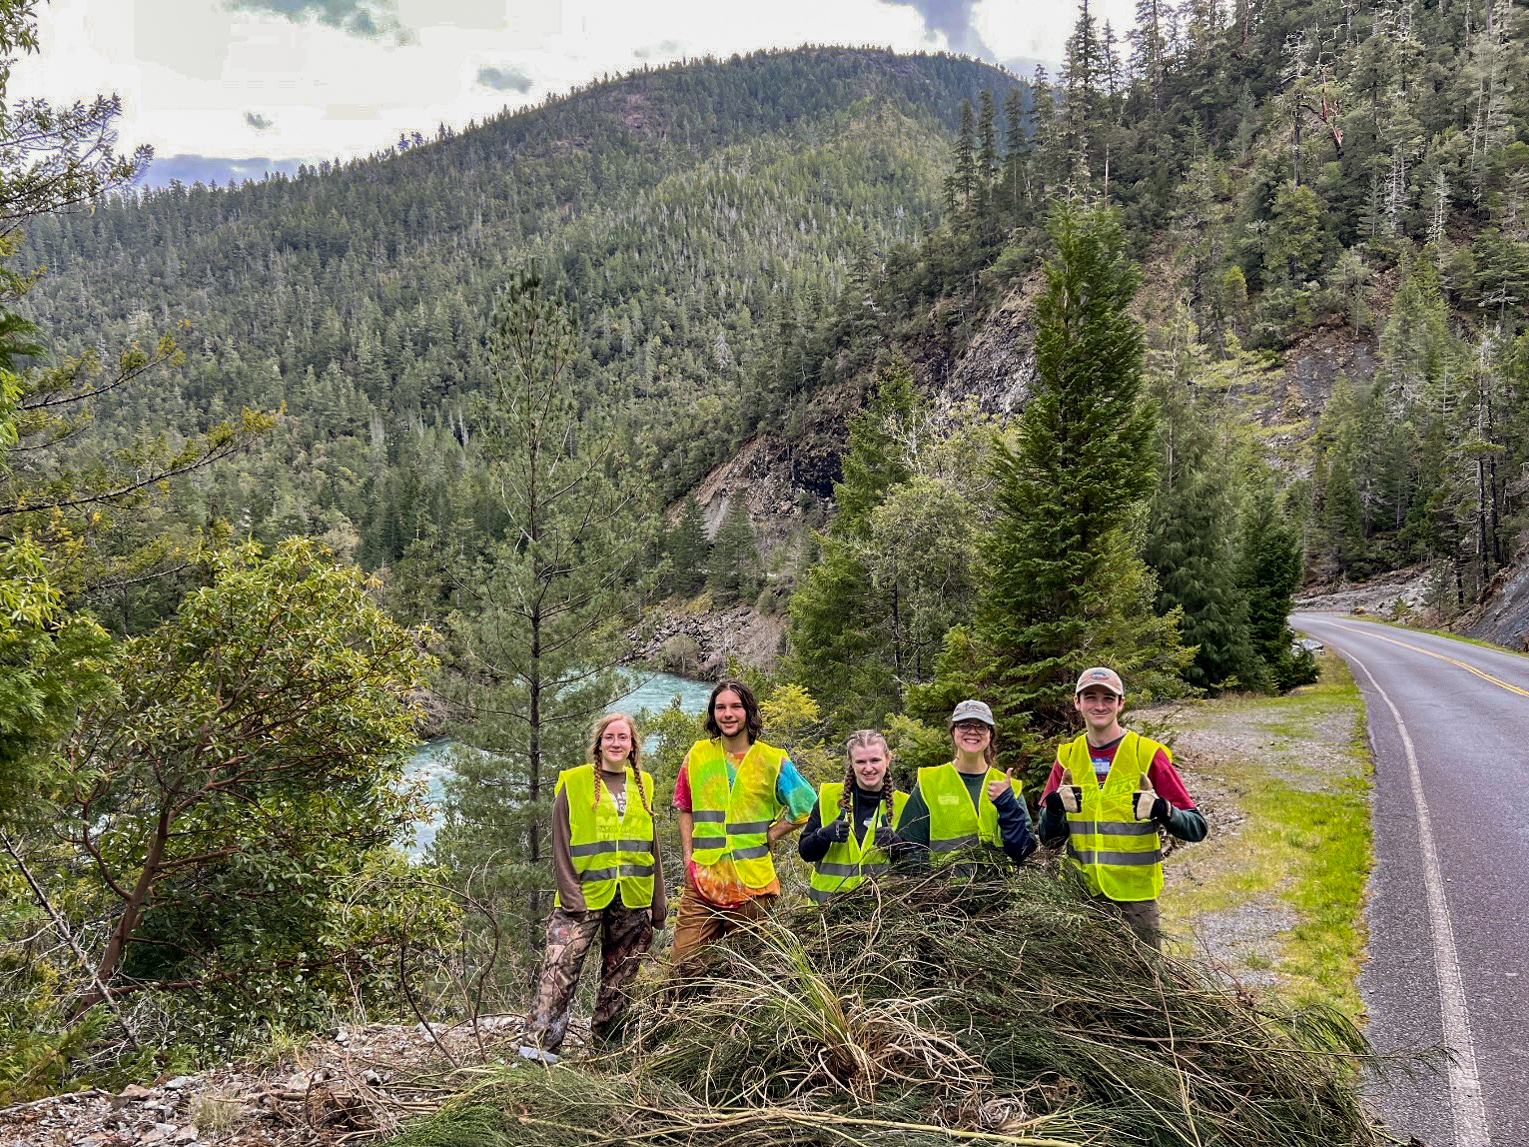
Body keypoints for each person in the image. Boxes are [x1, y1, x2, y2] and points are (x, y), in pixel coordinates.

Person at [520, 712, 664, 1063]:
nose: (616, 743)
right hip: (581, 896)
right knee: (558, 971)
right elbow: (561, 840)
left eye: (624, 738)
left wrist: (658, 903)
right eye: (610, 737)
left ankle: (607, 1050)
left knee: (621, 978)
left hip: (632, 896)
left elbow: (652, 844)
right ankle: (537, 1052)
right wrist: (570, 894)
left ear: (633, 745)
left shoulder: (643, 782)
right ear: (598, 742)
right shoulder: (575, 782)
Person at [1037, 666, 1207, 950]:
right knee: (1086, 987)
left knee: (1144, 984)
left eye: (1108, 698)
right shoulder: (1067, 758)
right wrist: (1054, 809)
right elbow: (1048, 839)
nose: (1099, 705)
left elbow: (1197, 828)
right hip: (1082, 898)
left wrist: (1163, 810)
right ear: (1077, 702)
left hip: (1136, 902)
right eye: (1090, 697)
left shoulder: (1146, 754)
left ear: (1121, 703)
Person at [669, 679, 817, 966]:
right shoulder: (697, 755)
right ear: (713, 714)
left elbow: (807, 806)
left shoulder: (772, 760)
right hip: (702, 883)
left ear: (748, 712)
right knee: (683, 969)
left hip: (752, 887)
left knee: (744, 973)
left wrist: (773, 833)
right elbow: (684, 807)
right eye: (720, 707)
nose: (728, 714)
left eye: (735, 707)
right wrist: (688, 857)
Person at [894, 699, 1035, 869]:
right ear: (954, 731)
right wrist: (930, 891)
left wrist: (1008, 806)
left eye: (981, 726)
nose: (972, 731)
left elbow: (1022, 851)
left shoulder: (1008, 787)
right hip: (943, 893)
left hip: (1000, 893)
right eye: (964, 725)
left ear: (990, 734)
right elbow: (910, 852)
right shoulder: (929, 782)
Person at [797, 729, 909, 902]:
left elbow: (917, 864)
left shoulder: (905, 804)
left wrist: (897, 846)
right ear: (851, 762)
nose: (868, 768)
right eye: (861, 761)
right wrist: (823, 836)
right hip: (827, 914)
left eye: (875, 760)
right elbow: (805, 852)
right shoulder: (828, 798)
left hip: (882, 917)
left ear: (888, 759)